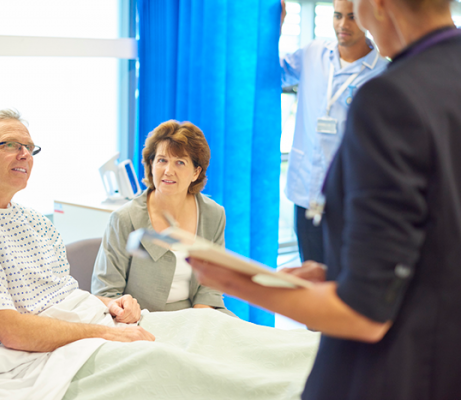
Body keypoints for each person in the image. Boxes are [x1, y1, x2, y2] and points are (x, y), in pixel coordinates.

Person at [189, 0, 461, 398]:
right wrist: (345, 272)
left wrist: (234, 280)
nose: (351, 20)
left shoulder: (390, 97)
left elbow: (364, 313)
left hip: (393, 371)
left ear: (378, 4)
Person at [0, 109, 154, 357]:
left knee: (193, 327)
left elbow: (64, 295)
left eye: (29, 148)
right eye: (11, 145)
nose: (25, 155)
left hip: (99, 324)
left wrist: (112, 304)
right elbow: (13, 333)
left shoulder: (36, 222)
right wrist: (110, 334)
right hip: (51, 352)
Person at [280, 0, 388, 263]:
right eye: (337, 15)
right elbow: (274, 74)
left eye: (352, 17)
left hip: (351, 197)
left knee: (344, 274)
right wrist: (275, 30)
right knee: (309, 271)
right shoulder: (313, 53)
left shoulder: (382, 73)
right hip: (307, 189)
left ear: (367, 18)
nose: (342, 25)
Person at [91, 120, 231, 314]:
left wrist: (199, 321)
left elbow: (211, 283)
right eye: (162, 160)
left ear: (196, 172)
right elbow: (105, 291)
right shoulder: (125, 219)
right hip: (142, 318)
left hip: (198, 313)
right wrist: (126, 312)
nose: (168, 171)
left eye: (180, 162)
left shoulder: (213, 215)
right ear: (151, 164)